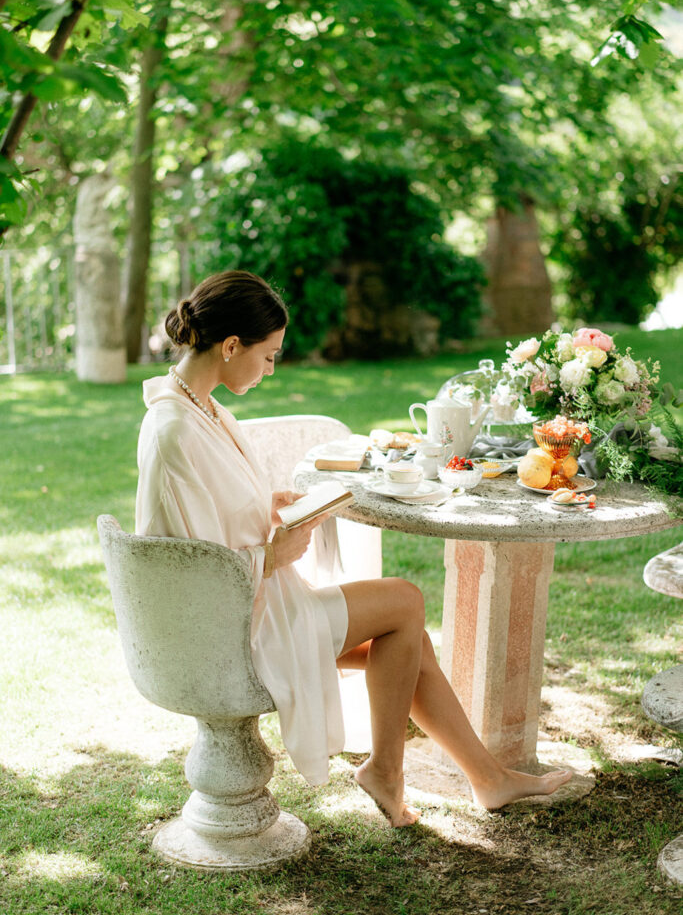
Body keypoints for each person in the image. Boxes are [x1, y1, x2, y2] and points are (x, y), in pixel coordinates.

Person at [136, 269, 572, 827]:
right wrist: (276, 554)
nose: (271, 370)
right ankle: (392, 772)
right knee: (405, 603)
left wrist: (272, 506)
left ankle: (487, 779)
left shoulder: (198, 405)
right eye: (269, 356)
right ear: (230, 346)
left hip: (254, 603)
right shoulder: (176, 427)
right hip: (230, 624)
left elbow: (210, 515)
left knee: (408, 643)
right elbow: (191, 566)